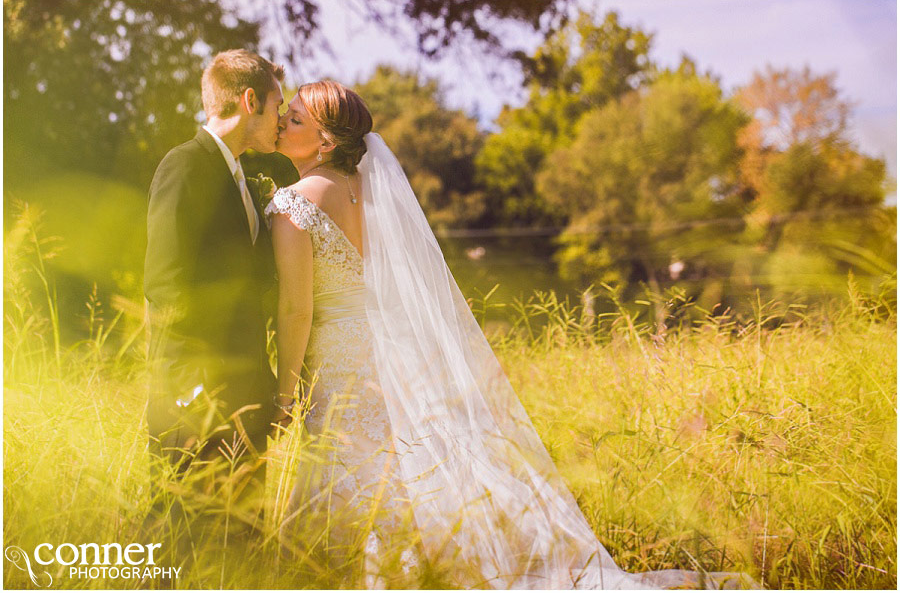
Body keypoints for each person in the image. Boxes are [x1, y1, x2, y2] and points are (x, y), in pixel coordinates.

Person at [266, 80, 757, 589]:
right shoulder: (371, 194)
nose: (284, 123)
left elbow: (297, 309)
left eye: (296, 119)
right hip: (390, 354)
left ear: (325, 141)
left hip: (340, 360)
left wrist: (284, 395)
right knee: (399, 472)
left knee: (359, 474)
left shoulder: (295, 205)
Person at [143, 49, 284, 539]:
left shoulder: (241, 178)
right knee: (178, 545)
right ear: (250, 101)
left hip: (244, 405)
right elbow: (164, 283)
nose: (282, 120)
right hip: (194, 405)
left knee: (235, 550)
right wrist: (192, 388)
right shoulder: (186, 166)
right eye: (278, 105)